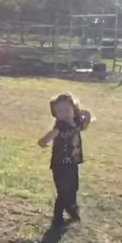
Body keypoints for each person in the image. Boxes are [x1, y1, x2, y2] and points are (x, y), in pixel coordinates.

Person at [37, 93, 94, 227]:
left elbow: (84, 126)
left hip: (73, 163)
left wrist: (88, 116)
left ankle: (72, 209)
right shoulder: (60, 125)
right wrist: (45, 141)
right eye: (60, 112)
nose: (64, 114)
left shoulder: (76, 121)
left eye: (67, 110)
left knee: (73, 188)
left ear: (73, 109)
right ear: (55, 114)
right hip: (59, 165)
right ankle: (58, 218)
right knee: (63, 191)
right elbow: (53, 134)